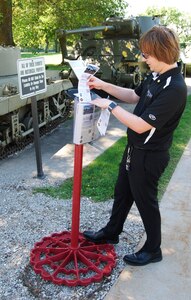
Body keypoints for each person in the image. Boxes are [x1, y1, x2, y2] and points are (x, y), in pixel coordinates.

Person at [83, 25, 187, 266]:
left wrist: (108, 106)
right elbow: (134, 96)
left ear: (160, 52)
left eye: (146, 54)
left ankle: (153, 249)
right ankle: (111, 232)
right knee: (122, 193)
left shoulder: (175, 88)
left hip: (149, 155)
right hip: (134, 150)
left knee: (145, 201)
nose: (143, 58)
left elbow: (141, 125)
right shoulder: (155, 76)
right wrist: (103, 86)